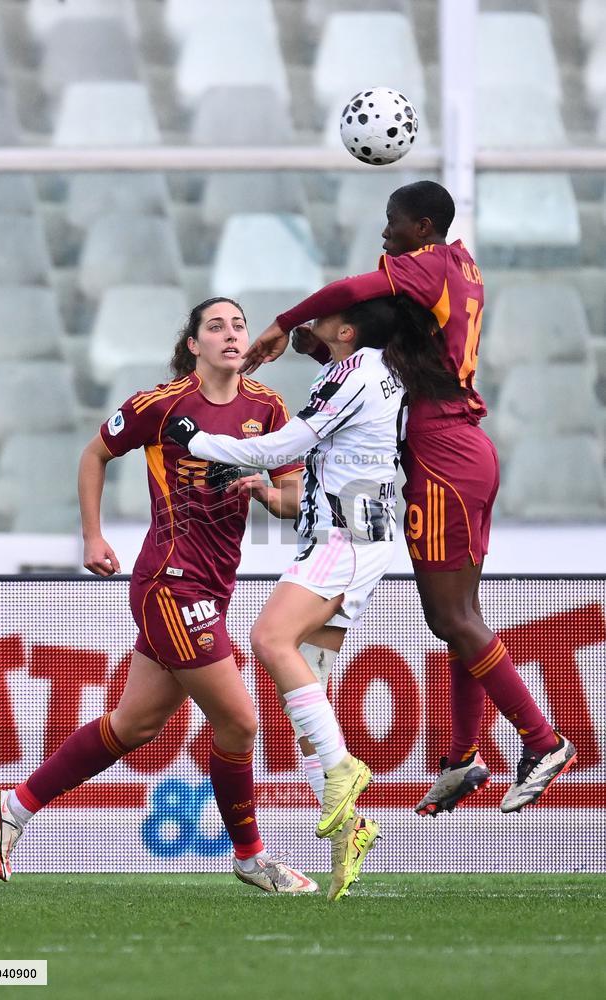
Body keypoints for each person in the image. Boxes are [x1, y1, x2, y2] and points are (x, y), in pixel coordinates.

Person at [237, 180, 577, 816]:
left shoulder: (428, 269)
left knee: (450, 617)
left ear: (423, 227)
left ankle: (542, 738)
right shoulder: (454, 275)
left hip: (443, 458)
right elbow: (368, 339)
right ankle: (461, 755)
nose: (384, 235)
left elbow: (348, 294)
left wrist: (284, 322)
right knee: (460, 618)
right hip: (467, 450)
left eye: (393, 224)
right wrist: (316, 341)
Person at [0, 296, 318, 895]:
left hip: (214, 585)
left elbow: (294, 501)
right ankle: (250, 856)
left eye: (239, 325)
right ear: (194, 344)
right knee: (240, 722)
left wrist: (264, 490)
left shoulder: (268, 409)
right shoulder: (162, 404)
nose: (232, 334)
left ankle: (16, 805)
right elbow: (94, 454)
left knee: (136, 723)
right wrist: (92, 534)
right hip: (169, 579)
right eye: (216, 326)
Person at [165, 293, 464, 899]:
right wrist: (267, 494)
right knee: (311, 692)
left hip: (346, 539)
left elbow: (280, 450)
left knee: (268, 638)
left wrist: (195, 441)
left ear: (347, 331)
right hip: (357, 533)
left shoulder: (353, 373)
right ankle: (348, 839)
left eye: (322, 319)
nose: (308, 322)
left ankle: (342, 772)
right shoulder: (375, 370)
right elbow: (317, 473)